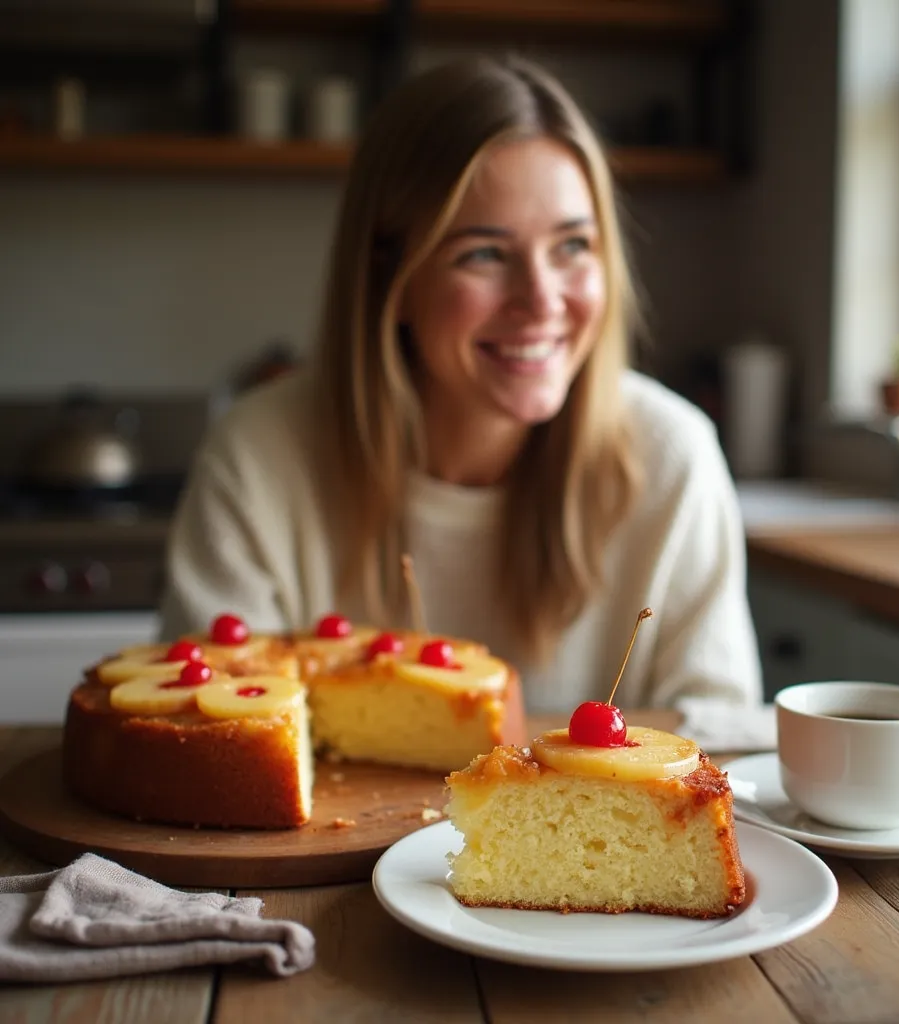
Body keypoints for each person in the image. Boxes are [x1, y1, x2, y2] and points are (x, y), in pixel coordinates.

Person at [160, 55, 762, 717]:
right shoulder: (257, 458)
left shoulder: (673, 458)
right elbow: (211, 727)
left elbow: (720, 740)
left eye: (572, 246)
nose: (541, 300)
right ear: (392, 278)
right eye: (484, 253)